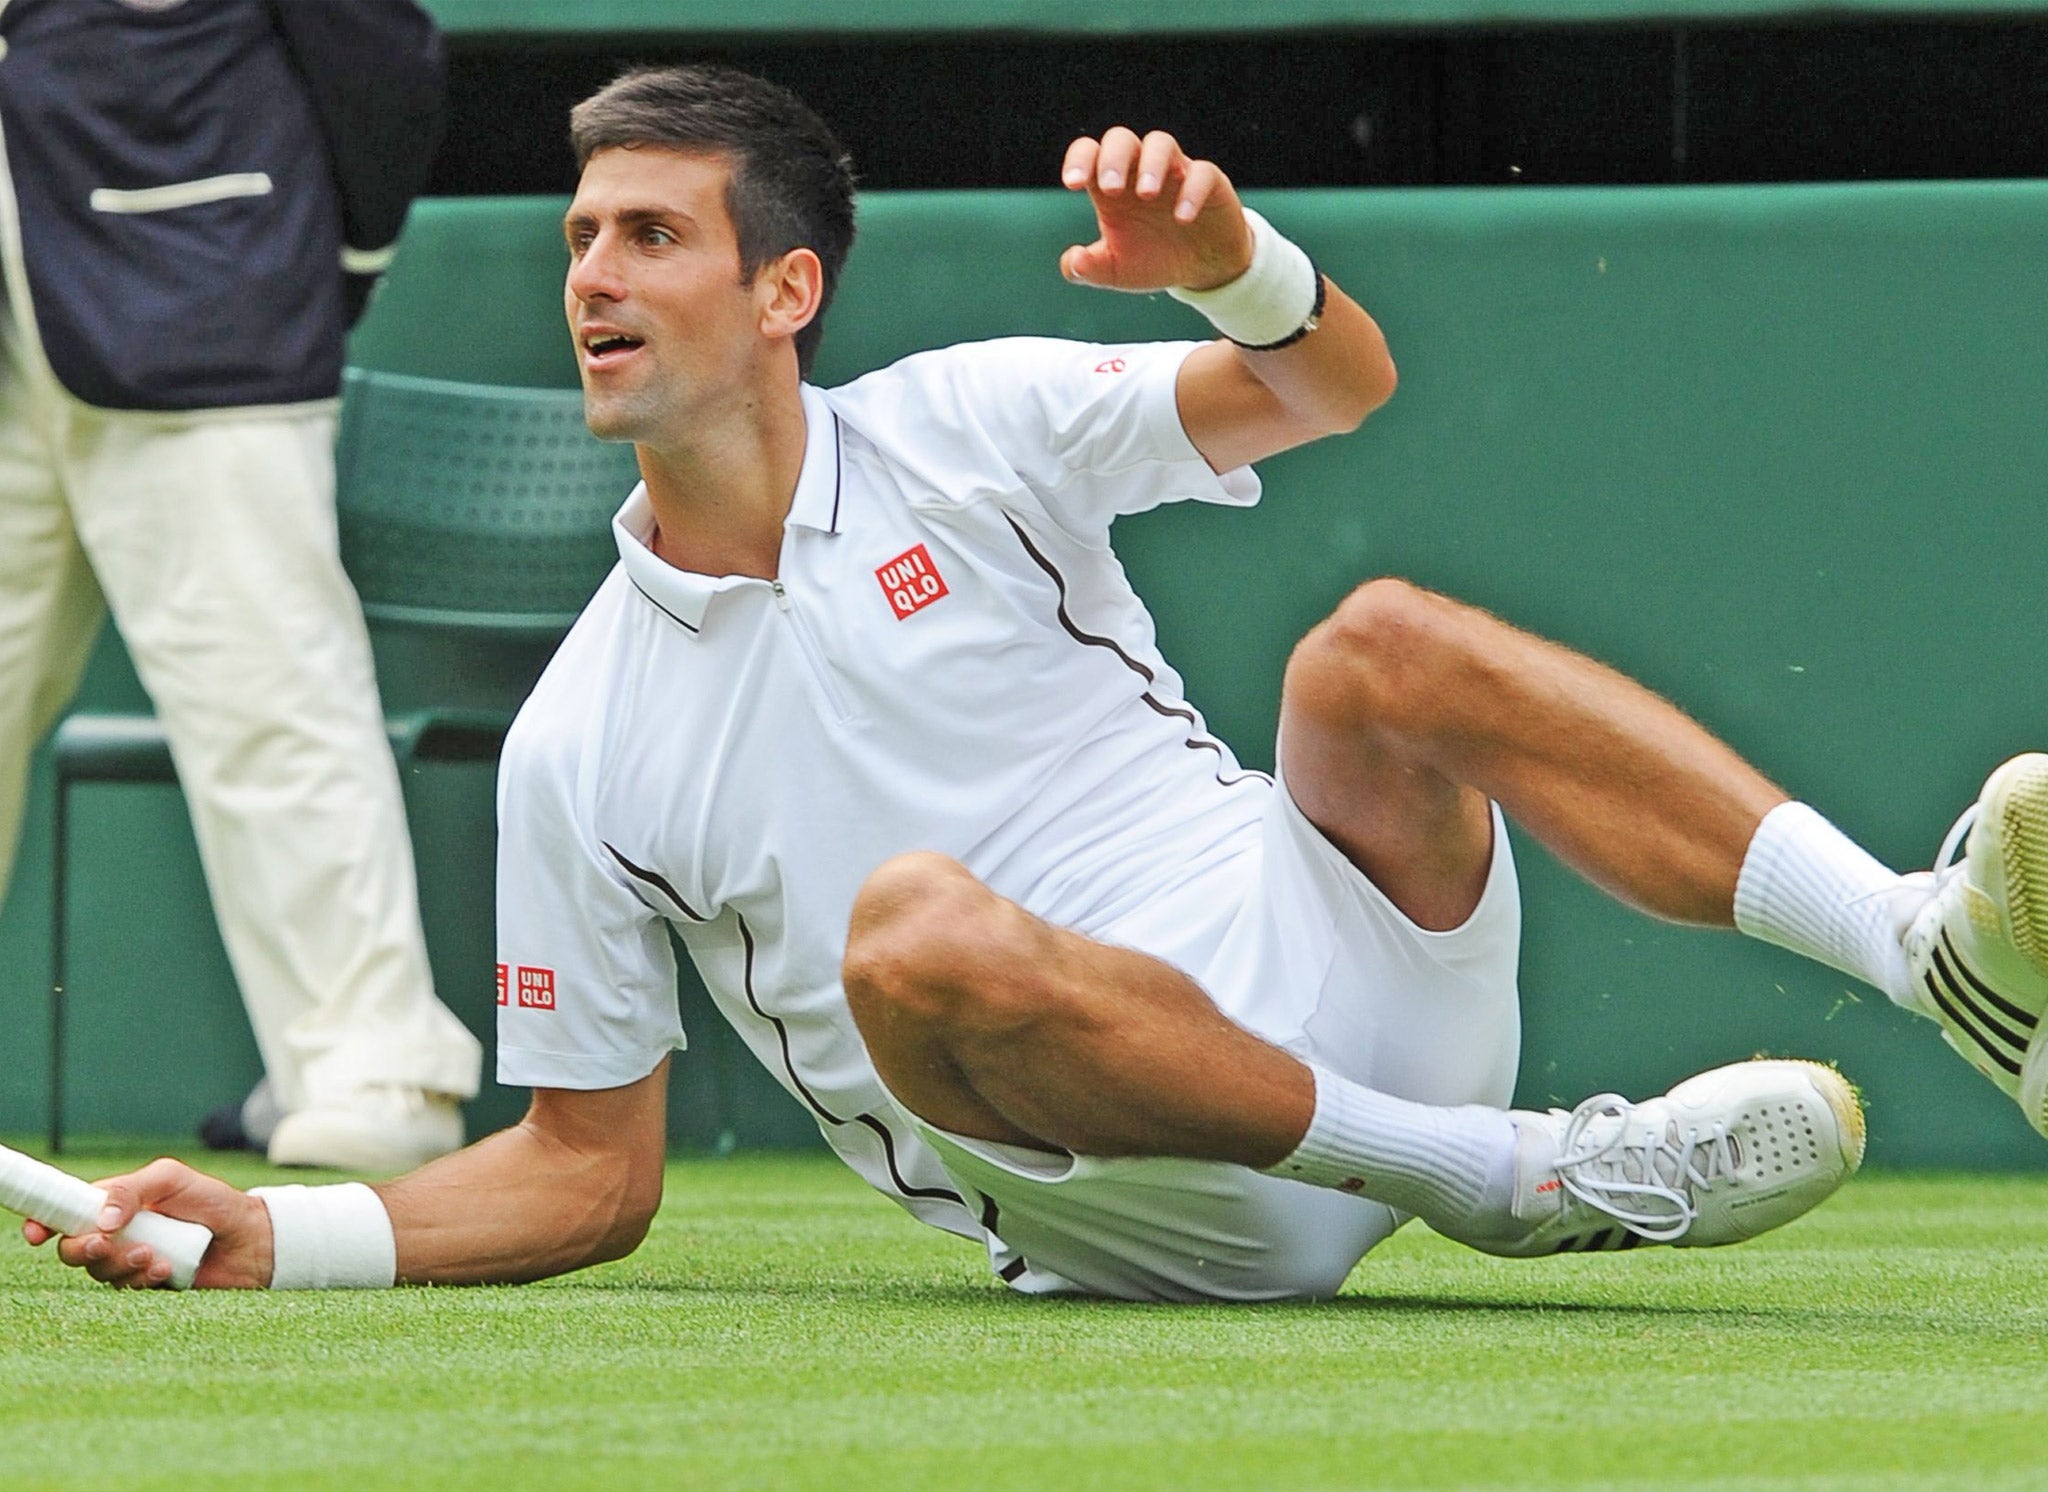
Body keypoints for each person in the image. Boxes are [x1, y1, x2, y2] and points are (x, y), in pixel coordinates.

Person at [32, 65, 2046, 1296]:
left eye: (646, 235)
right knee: (909, 932)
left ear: (783, 292)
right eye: (578, 237)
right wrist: (280, 1234)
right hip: (1161, 1193)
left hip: (1346, 963)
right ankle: (1519, 1180)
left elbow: (1330, 382)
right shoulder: (581, 740)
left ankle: (1919, 950)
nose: (589, 276)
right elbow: (585, 1171)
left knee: (1381, 647)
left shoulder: (971, 422)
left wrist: (1236, 268)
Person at [0, 0, 481, 1171]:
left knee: (276, 707)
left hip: (198, 299)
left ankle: (377, 1071)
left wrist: (329, 265)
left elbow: (380, 57)